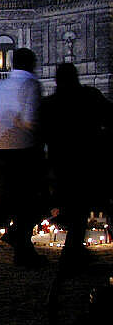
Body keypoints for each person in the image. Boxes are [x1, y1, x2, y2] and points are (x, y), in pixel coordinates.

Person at [40, 63, 113, 272]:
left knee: (74, 207)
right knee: (86, 206)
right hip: (88, 158)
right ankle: (74, 253)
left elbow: (41, 133)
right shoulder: (90, 96)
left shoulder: (49, 103)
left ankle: (73, 252)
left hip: (61, 161)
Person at [0, 48, 46, 268]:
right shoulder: (31, 85)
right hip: (26, 147)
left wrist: (5, 123)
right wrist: (20, 122)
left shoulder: (1, 86)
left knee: (14, 197)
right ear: (32, 64)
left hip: (3, 146)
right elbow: (31, 119)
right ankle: (20, 242)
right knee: (30, 199)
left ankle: (17, 240)